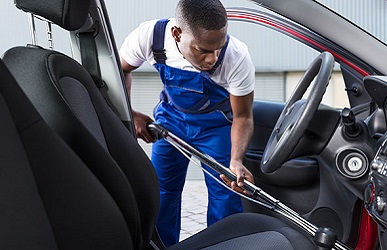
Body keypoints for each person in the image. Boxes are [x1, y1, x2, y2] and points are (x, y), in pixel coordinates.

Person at [119, 0, 255, 246]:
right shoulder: (150, 37)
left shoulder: (236, 56)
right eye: (203, 50)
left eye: (218, 48)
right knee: (161, 192)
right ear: (177, 34)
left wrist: (236, 160)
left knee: (226, 195)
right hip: (171, 120)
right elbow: (119, 71)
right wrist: (130, 112)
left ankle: (223, 245)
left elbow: (243, 116)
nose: (212, 58)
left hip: (216, 127)